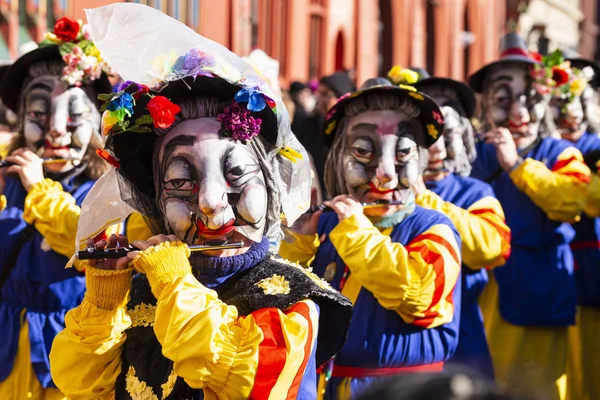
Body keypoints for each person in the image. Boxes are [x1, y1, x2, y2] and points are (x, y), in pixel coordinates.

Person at [49, 4, 352, 399]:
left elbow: (251, 379)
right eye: (180, 181)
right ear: (155, 200)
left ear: (270, 182)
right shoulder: (146, 289)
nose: (209, 202)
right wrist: (104, 304)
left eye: (237, 175)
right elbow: (81, 386)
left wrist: (176, 282)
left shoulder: (295, 300)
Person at [280, 77, 462, 399]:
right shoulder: (328, 225)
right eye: (364, 152)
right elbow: (283, 299)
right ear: (339, 157)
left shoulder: (435, 228)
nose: (386, 172)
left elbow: (417, 295)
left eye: (404, 152)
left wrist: (354, 230)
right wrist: (299, 241)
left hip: (408, 392)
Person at [468, 33, 591, 400]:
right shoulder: (471, 154)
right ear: (486, 103)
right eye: (504, 100)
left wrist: (518, 166)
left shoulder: (562, 153)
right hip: (481, 294)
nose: (520, 113)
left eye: (531, 99)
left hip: (538, 289)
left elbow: (573, 201)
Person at [0, 17, 113, 398]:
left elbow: (87, 244)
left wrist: (38, 188)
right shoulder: (4, 171)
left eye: (75, 118)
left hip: (65, 360)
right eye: (39, 115)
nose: (56, 130)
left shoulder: (108, 188)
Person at [388, 66, 511, 381]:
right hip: (391, 346)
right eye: (428, 137)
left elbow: (492, 248)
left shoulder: (474, 192)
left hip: (461, 340)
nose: (439, 148)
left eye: (449, 134)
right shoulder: (382, 190)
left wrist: (425, 200)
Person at [543, 51, 600, 400]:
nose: (570, 112)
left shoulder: (595, 147)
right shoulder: (545, 149)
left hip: (592, 269)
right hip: (548, 269)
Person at [294, 71, 356, 199]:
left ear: (341, 97)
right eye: (319, 94)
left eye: (326, 95)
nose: (320, 99)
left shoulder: (351, 129)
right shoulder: (307, 125)